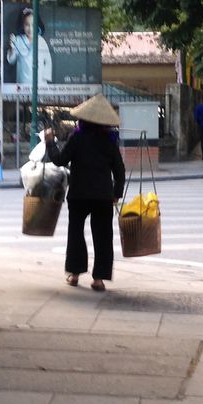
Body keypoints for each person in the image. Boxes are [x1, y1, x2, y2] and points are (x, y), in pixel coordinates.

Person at [43, 93, 125, 292]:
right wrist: (117, 193)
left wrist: (50, 142)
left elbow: (60, 160)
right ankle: (99, 279)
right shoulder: (110, 141)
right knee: (103, 236)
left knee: (76, 233)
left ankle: (74, 274)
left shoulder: (77, 138)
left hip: (79, 194)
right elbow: (120, 170)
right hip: (103, 196)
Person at [6, 6, 52, 85]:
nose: (30, 29)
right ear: (22, 25)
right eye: (27, 25)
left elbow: (48, 61)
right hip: (23, 82)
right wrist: (12, 47)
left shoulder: (41, 41)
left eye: (33, 25)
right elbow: (11, 60)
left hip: (39, 82)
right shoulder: (18, 40)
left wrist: (45, 78)